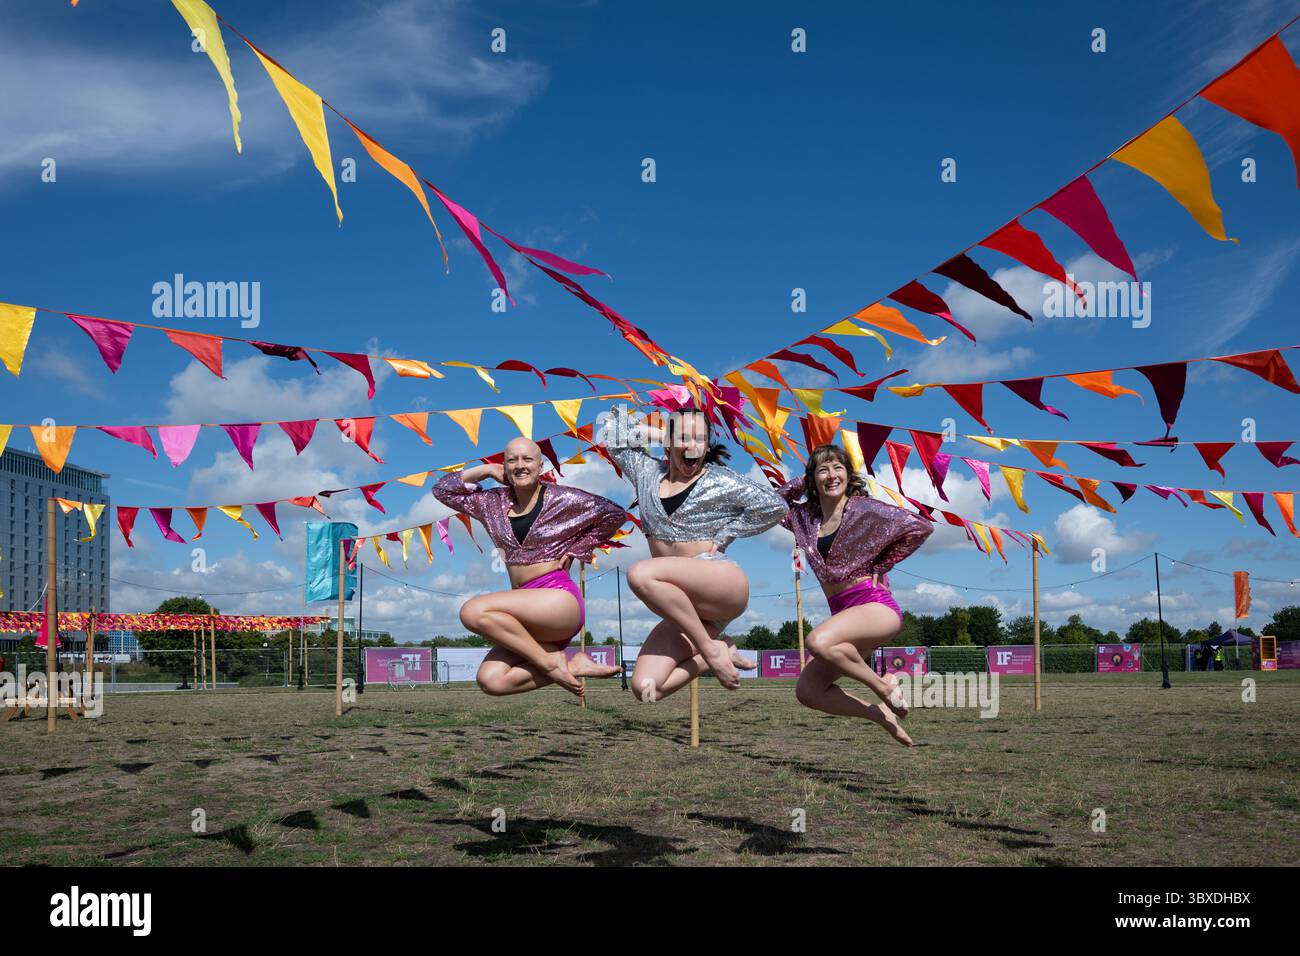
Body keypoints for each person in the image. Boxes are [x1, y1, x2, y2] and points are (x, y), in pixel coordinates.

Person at [598, 402, 787, 699]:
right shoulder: (646, 472)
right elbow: (611, 432)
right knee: (646, 689)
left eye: (700, 439)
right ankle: (719, 648)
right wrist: (661, 434)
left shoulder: (718, 479)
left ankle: (711, 649)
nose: (693, 446)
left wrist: (726, 534)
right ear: (668, 442)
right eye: (684, 438)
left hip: (719, 583)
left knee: (640, 574)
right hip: (691, 613)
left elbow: (774, 506)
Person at [433, 437, 629, 698]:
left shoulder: (564, 498)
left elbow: (614, 514)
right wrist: (487, 470)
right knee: (491, 681)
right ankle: (572, 663)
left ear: (540, 465)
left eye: (527, 459)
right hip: (524, 613)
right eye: (512, 460)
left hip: (557, 601)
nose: (520, 465)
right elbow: (443, 489)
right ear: (504, 466)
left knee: (472, 612)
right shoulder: (491, 502)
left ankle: (550, 662)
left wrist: (576, 549)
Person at [776, 444, 933, 746]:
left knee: (817, 641)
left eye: (838, 468)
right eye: (823, 469)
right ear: (813, 479)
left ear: (849, 475)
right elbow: (769, 505)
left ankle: (884, 687)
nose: (832, 475)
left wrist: (884, 562)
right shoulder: (804, 518)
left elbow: (920, 527)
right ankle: (878, 714)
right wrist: (801, 481)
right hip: (843, 616)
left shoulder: (864, 509)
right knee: (808, 692)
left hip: (875, 607)